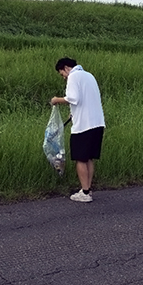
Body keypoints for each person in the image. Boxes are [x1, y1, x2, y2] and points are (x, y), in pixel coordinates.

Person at [50, 57, 105, 202]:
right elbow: (86, 99)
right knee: (88, 158)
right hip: (97, 123)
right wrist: (74, 112)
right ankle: (87, 189)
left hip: (83, 126)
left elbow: (73, 98)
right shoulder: (89, 75)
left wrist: (57, 100)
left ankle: (85, 193)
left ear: (66, 68)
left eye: (62, 73)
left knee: (80, 158)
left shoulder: (73, 76)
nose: (63, 77)